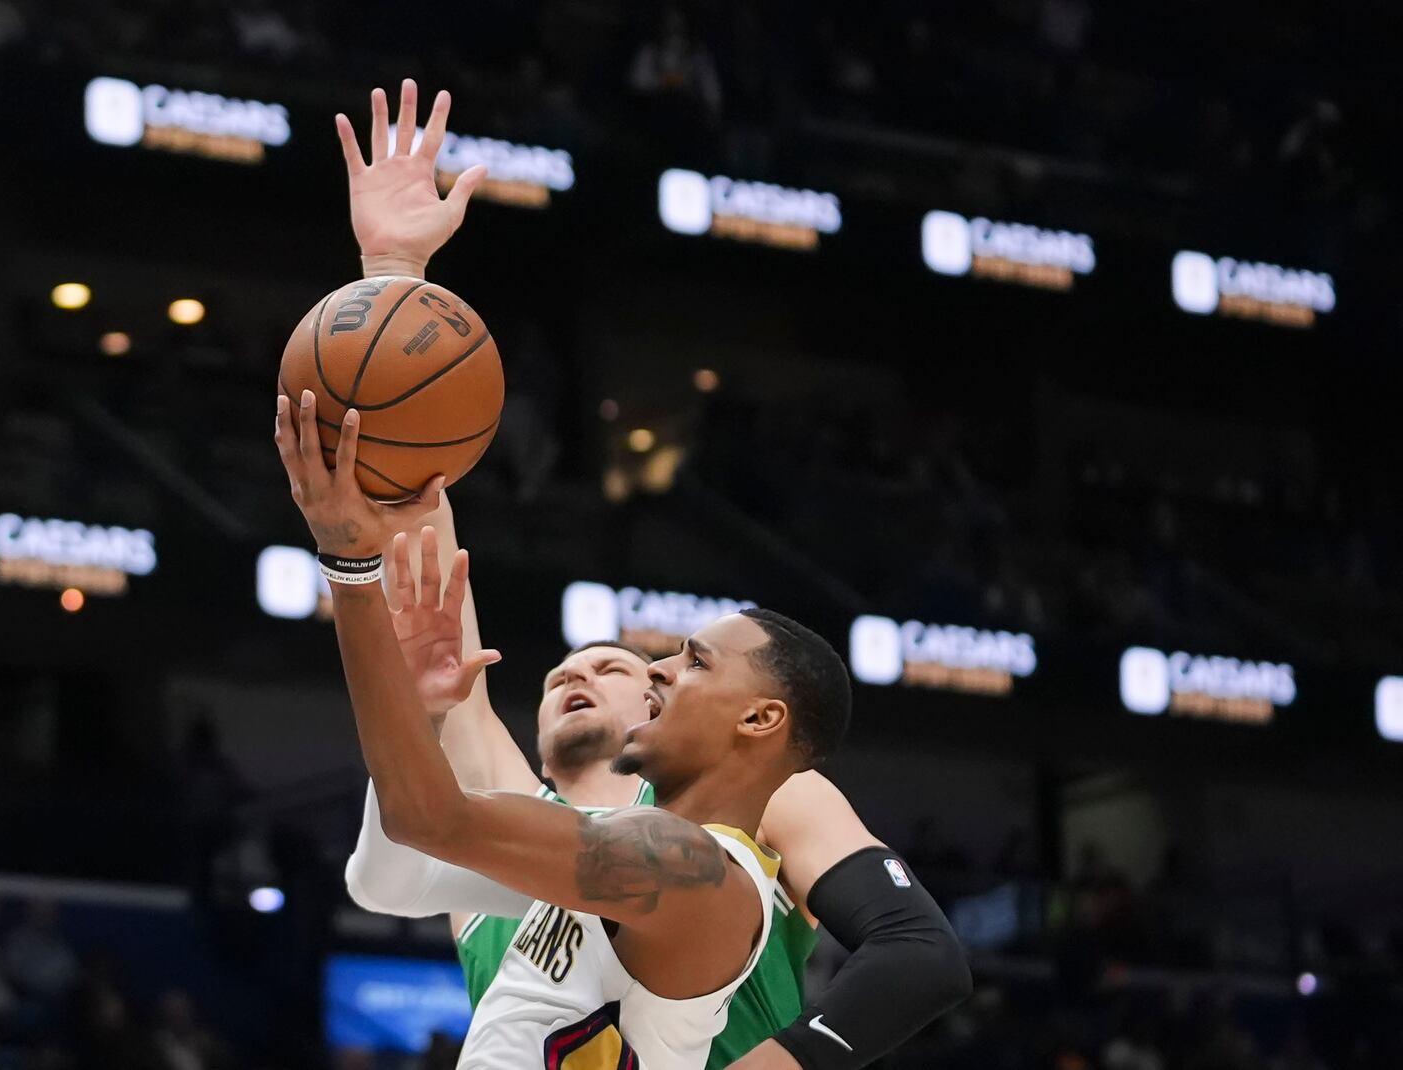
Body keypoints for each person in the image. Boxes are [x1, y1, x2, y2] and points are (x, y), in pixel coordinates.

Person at [330, 82, 972, 1070]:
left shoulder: (749, 816)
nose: (573, 673)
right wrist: (393, 272)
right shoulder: (517, 820)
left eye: (628, 663)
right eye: (557, 673)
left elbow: (921, 952)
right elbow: (422, 546)